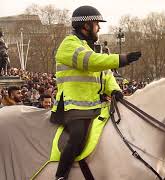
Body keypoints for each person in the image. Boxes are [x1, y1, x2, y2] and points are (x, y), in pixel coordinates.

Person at [50, 5, 142, 180]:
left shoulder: (90, 47)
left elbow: (105, 73)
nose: (99, 28)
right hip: (72, 105)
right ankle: (60, 176)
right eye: (97, 24)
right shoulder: (69, 45)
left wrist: (115, 90)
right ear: (86, 26)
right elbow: (92, 62)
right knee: (77, 136)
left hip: (95, 105)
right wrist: (123, 59)